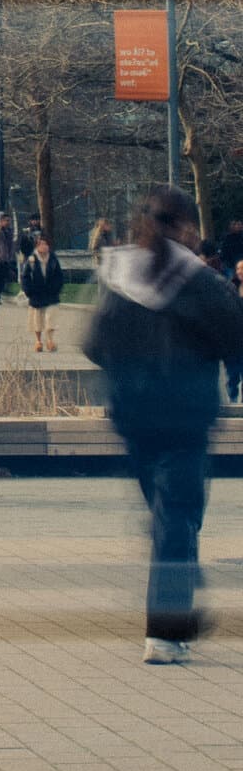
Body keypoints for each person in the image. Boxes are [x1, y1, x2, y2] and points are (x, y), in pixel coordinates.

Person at [84, 186, 243, 664]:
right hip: (184, 414)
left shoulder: (117, 273)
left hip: (133, 414)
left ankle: (177, 602)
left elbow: (93, 344)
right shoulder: (199, 281)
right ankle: (168, 628)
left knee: (167, 512)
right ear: (187, 226)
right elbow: (235, 336)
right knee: (178, 516)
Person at [19, 235, 64, 353]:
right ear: (37, 246)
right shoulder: (31, 260)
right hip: (36, 294)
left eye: (46, 244)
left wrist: (57, 288)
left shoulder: (53, 259)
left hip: (51, 294)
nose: (44, 247)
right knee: (37, 319)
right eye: (41, 244)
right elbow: (25, 277)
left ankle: (50, 341)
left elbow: (59, 276)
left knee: (51, 318)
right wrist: (28, 290)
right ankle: (38, 341)